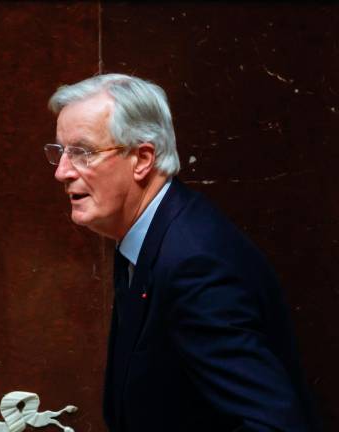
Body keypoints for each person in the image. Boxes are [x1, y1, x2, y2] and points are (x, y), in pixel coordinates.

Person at [45, 73, 317, 431]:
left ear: (142, 158)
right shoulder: (148, 233)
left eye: (83, 152)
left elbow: (274, 424)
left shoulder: (194, 263)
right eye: (60, 152)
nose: (62, 172)